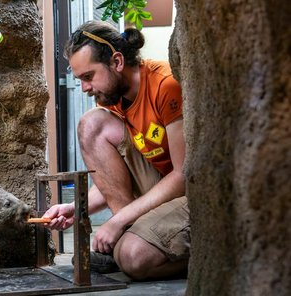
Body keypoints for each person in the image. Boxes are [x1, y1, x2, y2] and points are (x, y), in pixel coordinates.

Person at [43, 20, 190, 280]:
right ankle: (129, 239)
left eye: (88, 77)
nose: (85, 87)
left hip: (190, 192)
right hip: (160, 186)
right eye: (81, 79)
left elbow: (183, 176)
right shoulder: (114, 100)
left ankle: (208, 252)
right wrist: (76, 208)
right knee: (91, 124)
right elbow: (116, 179)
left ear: (117, 62)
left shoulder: (165, 85)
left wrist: (117, 221)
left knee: (132, 257)